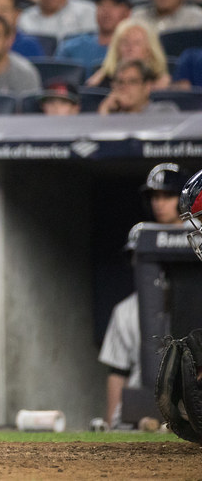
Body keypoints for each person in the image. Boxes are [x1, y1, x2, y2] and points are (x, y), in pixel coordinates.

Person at [99, 163, 188, 428]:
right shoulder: (128, 309)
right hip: (141, 411)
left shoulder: (197, 240)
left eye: (167, 196)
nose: (159, 204)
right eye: (154, 197)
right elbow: (118, 371)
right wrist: (110, 423)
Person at [56, 0, 133, 71]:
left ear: (127, 12)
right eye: (101, 4)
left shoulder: (133, 49)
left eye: (114, 5)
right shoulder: (72, 46)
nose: (106, 10)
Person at [85, 18, 172, 89]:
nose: (130, 48)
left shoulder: (160, 83)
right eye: (125, 42)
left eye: (137, 43)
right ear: (116, 49)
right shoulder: (101, 82)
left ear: (149, 50)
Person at [97, 60, 180, 115]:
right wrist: (105, 109)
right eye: (120, 82)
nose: (124, 87)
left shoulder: (165, 110)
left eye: (132, 82)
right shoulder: (112, 114)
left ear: (147, 87)